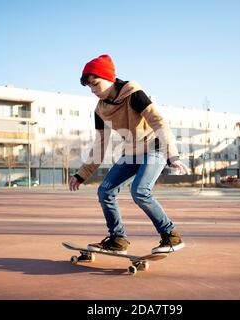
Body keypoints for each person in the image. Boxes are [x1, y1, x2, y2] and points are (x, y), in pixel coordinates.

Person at [68, 54, 189, 254]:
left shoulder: (134, 93)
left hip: (154, 147)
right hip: (131, 151)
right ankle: (117, 240)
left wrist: (172, 155)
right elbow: (100, 144)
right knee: (105, 192)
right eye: (89, 87)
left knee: (140, 191)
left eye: (96, 84)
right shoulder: (100, 110)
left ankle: (171, 236)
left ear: (110, 78)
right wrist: (82, 174)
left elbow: (159, 122)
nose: (93, 91)